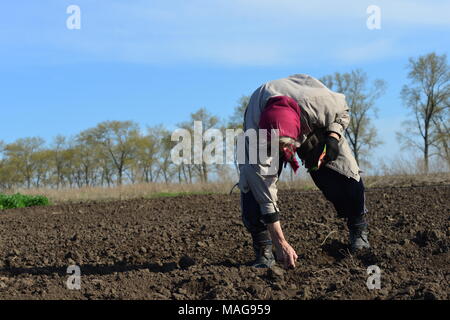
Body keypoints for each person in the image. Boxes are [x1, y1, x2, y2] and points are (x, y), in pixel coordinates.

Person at [238, 74, 370, 269]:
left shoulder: (319, 103)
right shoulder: (254, 135)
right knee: (251, 189)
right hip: (263, 137)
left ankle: (358, 227)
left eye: (285, 149)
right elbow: (264, 193)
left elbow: (343, 112)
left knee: (344, 173)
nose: (283, 154)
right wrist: (280, 242)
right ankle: (263, 248)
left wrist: (333, 136)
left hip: (309, 120)